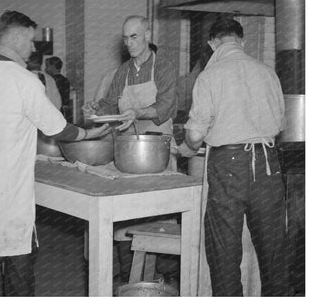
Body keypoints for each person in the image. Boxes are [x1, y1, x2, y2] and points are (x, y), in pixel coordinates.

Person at [0, 10, 109, 296]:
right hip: (5, 187)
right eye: (31, 40)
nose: (33, 48)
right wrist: (92, 133)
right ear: (16, 36)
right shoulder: (24, 79)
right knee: (18, 254)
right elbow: (58, 128)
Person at [177, 19, 287, 296]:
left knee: (224, 250)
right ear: (242, 41)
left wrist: (186, 149)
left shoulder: (209, 76)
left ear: (213, 44)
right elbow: (279, 125)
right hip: (268, 164)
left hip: (228, 165)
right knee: (274, 251)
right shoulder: (268, 72)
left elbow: (194, 137)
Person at [83, 15, 179, 283]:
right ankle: (130, 278)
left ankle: (166, 278)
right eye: (125, 38)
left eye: (134, 36)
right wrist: (95, 109)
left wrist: (137, 112)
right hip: (128, 153)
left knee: (161, 213)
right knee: (128, 215)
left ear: (148, 34)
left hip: (157, 153)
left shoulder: (164, 67)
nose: (129, 43)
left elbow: (166, 106)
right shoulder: (123, 71)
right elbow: (111, 105)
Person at [44, 56, 72, 121]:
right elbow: (66, 98)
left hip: (54, 109)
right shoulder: (65, 79)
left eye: (47, 66)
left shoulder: (51, 80)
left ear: (52, 67)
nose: (45, 69)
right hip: (62, 109)